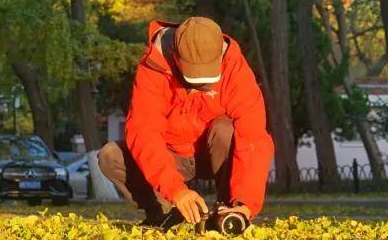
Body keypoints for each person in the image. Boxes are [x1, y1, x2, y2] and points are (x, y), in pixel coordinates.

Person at [98, 17, 274, 228]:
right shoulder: (153, 67)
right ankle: (164, 213)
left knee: (225, 129)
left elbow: (253, 138)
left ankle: (227, 213)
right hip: (170, 156)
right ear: (175, 56)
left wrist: (246, 203)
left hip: (212, 154)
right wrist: (175, 190)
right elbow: (145, 134)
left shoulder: (236, 69)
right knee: (110, 156)